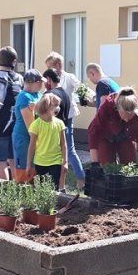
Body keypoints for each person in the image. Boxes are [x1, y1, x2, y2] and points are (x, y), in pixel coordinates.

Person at [87, 87, 138, 173]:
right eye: (124, 115)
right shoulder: (107, 105)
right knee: (108, 168)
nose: (127, 120)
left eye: (130, 116)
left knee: (129, 166)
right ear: (117, 108)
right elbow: (93, 131)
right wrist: (94, 163)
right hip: (105, 136)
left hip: (127, 136)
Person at [45, 52, 86, 189]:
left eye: (50, 66)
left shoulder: (69, 77)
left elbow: (82, 89)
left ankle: (81, 178)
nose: (48, 69)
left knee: (69, 148)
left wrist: (90, 98)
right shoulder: (50, 79)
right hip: (55, 117)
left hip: (67, 116)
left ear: (58, 65)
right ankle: (58, 180)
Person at [0, 46, 24, 180]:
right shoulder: (20, 79)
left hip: (0, 125)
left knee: (0, 161)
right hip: (17, 125)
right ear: (14, 61)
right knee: (13, 160)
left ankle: (5, 195)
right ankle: (16, 192)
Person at [26, 93, 67, 190]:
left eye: (58, 105)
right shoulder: (36, 125)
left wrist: (65, 161)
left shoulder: (60, 123)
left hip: (55, 161)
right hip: (40, 162)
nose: (58, 108)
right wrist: (28, 164)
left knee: (54, 188)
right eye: (55, 105)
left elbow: (63, 144)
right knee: (41, 189)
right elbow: (31, 146)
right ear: (46, 107)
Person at [11, 69, 44, 183]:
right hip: (24, 139)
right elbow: (31, 126)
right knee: (24, 171)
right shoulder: (24, 97)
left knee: (34, 171)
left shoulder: (37, 94)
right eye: (40, 82)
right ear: (31, 82)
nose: (42, 85)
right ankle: (20, 197)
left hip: (34, 139)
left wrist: (36, 107)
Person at [43, 68, 74, 189]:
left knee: (51, 166)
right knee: (62, 161)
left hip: (50, 134)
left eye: (45, 81)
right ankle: (62, 187)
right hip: (62, 131)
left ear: (49, 80)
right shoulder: (65, 94)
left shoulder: (50, 95)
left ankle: (53, 189)